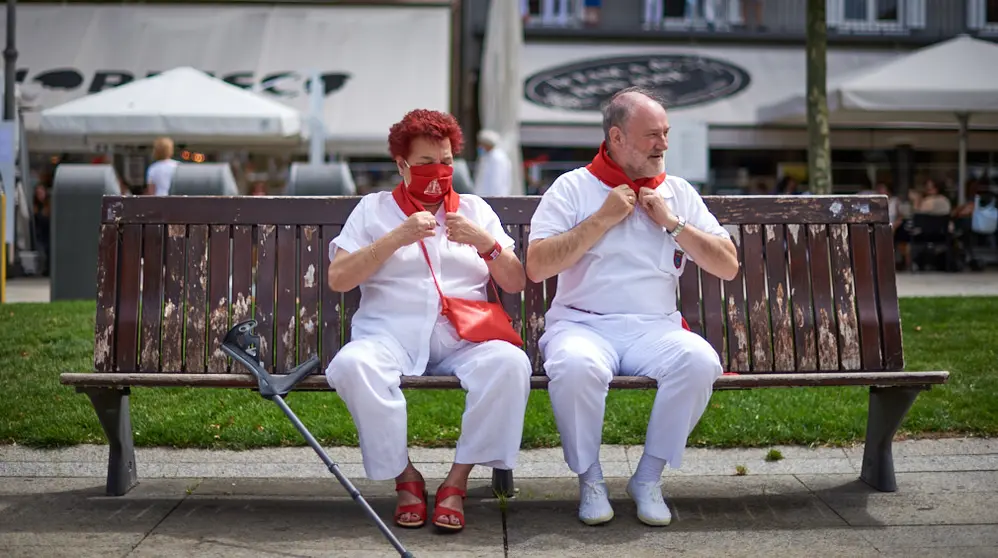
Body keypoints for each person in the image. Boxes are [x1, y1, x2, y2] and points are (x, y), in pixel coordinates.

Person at [525, 87, 738, 527]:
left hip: (655, 328)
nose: (663, 144)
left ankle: (648, 478)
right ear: (617, 137)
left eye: (665, 133)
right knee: (576, 367)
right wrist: (602, 218)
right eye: (652, 135)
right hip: (582, 324)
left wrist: (672, 223)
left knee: (700, 361)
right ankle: (590, 479)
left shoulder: (678, 192)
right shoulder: (572, 187)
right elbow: (537, 265)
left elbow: (728, 265)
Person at [324, 109, 531, 533]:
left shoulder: (474, 209)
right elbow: (339, 278)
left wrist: (485, 243)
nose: (438, 172)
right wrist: (395, 238)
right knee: (351, 366)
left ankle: (457, 480)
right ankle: (405, 476)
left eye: (447, 161)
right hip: (389, 333)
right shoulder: (373, 209)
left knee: (511, 364)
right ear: (402, 164)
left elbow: (514, 280)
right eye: (425, 163)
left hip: (465, 337)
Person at [473, 129, 513, 197]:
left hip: (492, 197)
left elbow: (497, 182)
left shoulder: (498, 158)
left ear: (487, 144)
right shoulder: (486, 157)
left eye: (481, 144)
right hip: (483, 197)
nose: (479, 146)